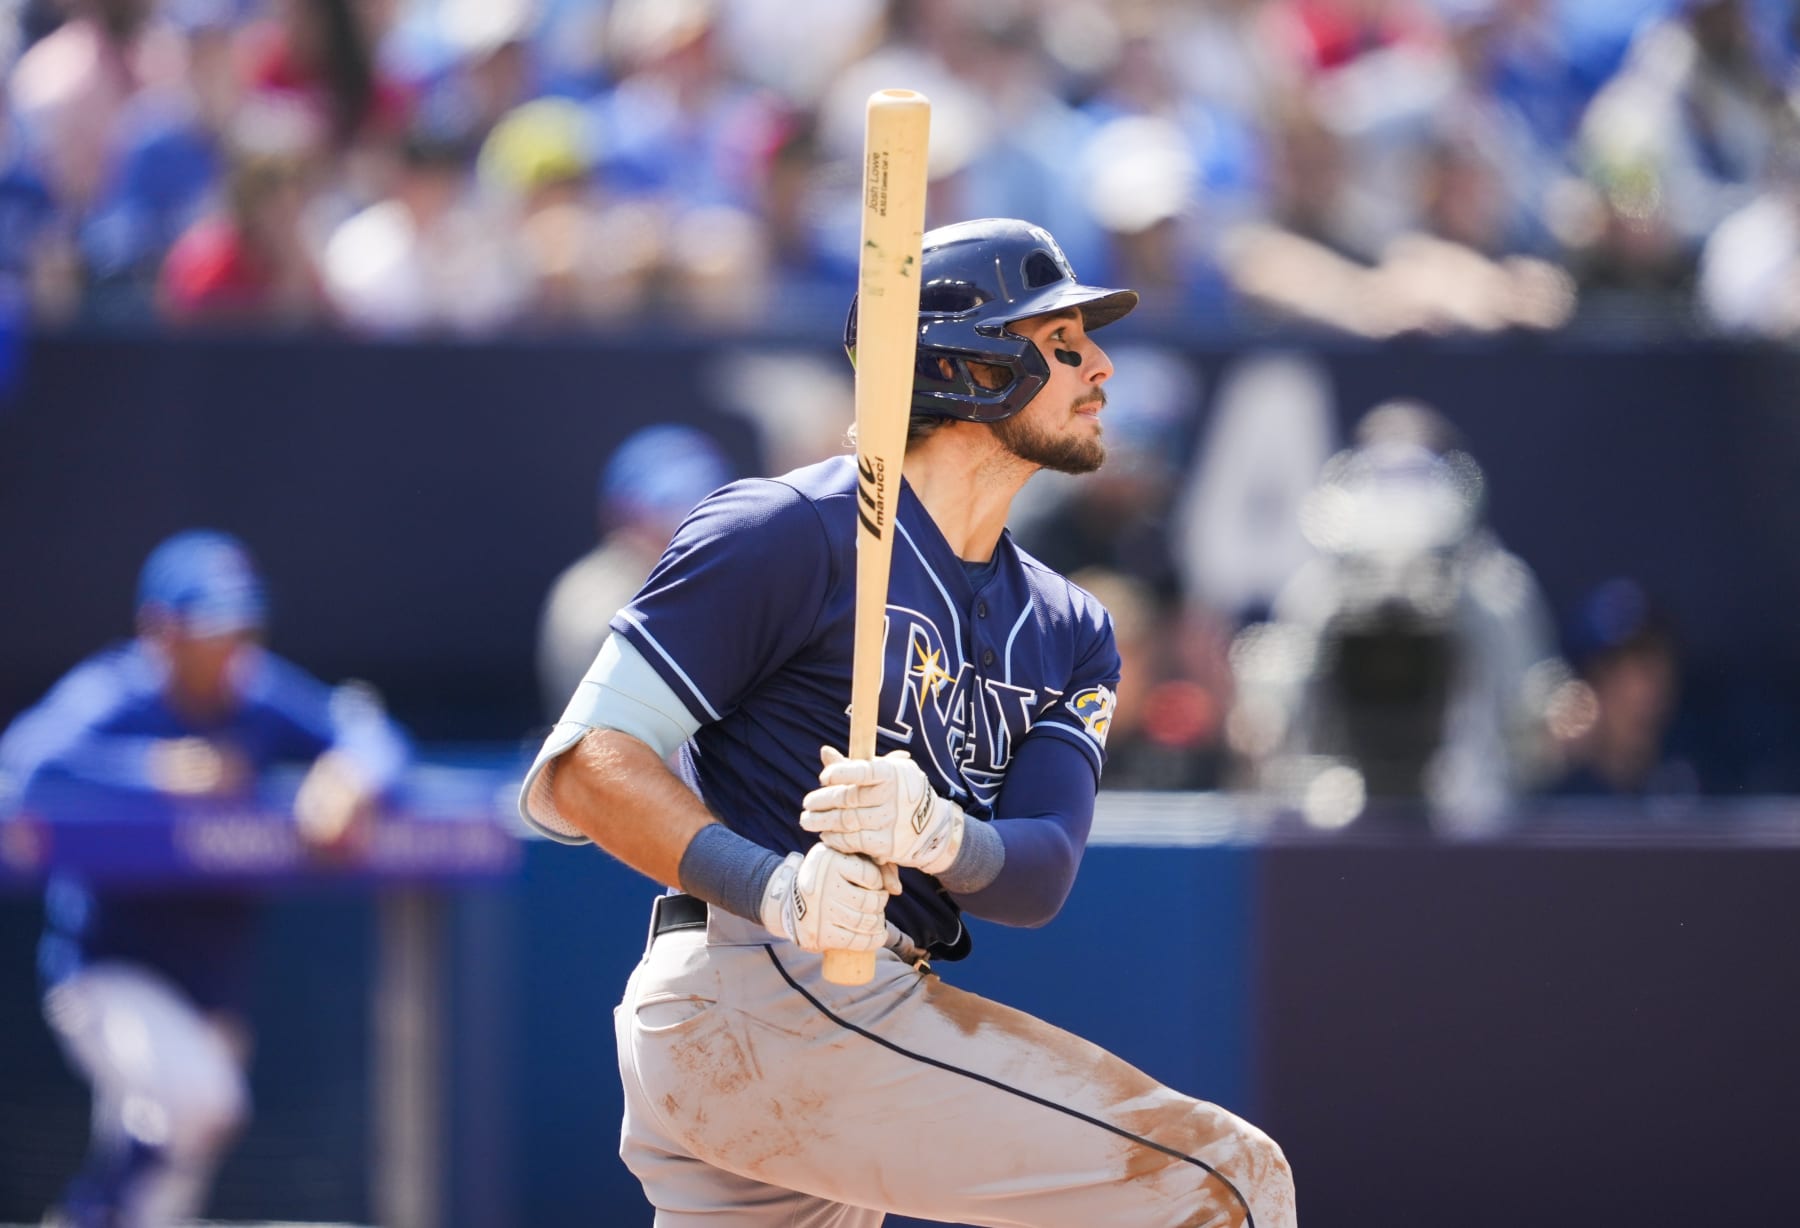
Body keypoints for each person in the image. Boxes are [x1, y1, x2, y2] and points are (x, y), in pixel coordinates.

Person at [518, 218, 1296, 1227]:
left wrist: (939, 835)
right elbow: (587, 765)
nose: (1100, 364)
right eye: (1061, 343)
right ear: (971, 370)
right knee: (1229, 1182)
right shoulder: (786, 532)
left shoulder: (1073, 628)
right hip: (757, 980)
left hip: (849, 1010)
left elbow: (1042, 871)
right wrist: (779, 885)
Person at [0, 529, 409, 1228]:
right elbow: (22, 766)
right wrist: (150, 772)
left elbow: (374, 738)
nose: (230, 646)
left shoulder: (257, 694)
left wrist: (349, 778)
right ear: (160, 629)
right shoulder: (118, 693)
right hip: (107, 975)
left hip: (214, 990)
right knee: (204, 1105)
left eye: (240, 626)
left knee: (165, 1193)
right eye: (209, 628)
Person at [534, 423, 734, 719]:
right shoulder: (593, 599)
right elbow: (611, 728)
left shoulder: (722, 577)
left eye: (705, 506)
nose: (686, 527)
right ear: (622, 513)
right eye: (668, 508)